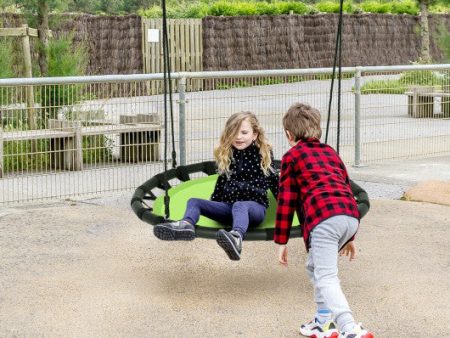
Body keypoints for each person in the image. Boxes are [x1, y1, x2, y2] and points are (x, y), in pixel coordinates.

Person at [274, 103, 374, 338]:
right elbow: (346, 189)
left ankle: (349, 327)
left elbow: (286, 201)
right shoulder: (330, 152)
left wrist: (281, 241)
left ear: (289, 135)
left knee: (326, 276)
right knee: (313, 266)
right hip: (350, 216)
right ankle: (322, 322)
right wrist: (350, 235)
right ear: (317, 129)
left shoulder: (291, 156)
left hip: (325, 220)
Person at [154, 111, 279, 261]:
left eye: (244, 132)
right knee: (194, 201)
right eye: (234, 133)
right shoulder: (228, 154)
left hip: (254, 209)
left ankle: (236, 238)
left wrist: (287, 207)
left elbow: (273, 181)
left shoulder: (262, 153)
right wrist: (213, 202)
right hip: (228, 207)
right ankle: (186, 225)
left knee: (240, 205)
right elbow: (222, 181)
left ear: (255, 134)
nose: (238, 137)